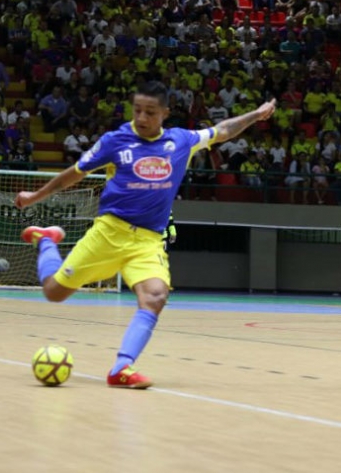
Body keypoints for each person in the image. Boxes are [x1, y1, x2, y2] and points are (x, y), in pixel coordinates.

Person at [15, 81, 276, 389]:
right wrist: (35, 196)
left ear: (165, 113)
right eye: (137, 110)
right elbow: (74, 173)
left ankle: (121, 368)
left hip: (148, 241)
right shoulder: (115, 141)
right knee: (53, 292)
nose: (141, 117)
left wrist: (255, 115)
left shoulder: (181, 140)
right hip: (109, 234)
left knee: (155, 297)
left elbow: (223, 130)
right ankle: (47, 240)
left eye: (150, 112)